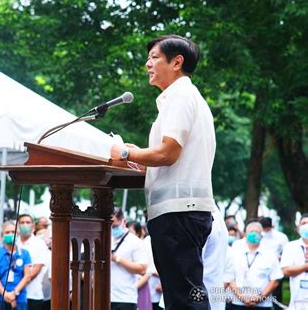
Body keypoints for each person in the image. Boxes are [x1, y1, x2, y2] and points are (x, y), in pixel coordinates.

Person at [110, 34, 218, 309]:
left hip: (179, 214)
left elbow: (169, 153)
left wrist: (125, 153)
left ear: (177, 62)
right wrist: (138, 159)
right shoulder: (181, 98)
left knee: (185, 298)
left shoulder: (181, 97)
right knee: (181, 296)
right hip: (180, 212)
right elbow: (166, 157)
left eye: (154, 57)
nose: (147, 64)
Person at [228, 222, 283, 309]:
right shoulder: (235, 253)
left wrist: (259, 298)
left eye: (257, 232)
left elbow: (275, 280)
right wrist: (242, 298)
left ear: (261, 235)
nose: (254, 234)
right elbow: (230, 278)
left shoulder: (270, 255)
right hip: (237, 303)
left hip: (262, 305)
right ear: (245, 234)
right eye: (251, 231)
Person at [0, 221, 32, 310]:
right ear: (2, 235)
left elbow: (27, 277)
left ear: (18, 234)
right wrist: (6, 294)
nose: (11, 234)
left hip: (19, 296)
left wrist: (14, 293)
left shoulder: (25, 253)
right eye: (7, 232)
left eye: (13, 232)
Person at [110, 208, 147, 310]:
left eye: (115, 226)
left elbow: (143, 269)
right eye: (110, 226)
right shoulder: (104, 238)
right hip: (104, 296)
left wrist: (117, 259)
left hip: (125, 298)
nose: (112, 229)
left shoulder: (135, 242)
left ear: (124, 222)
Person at [16, 214, 48, 309]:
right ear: (18, 226)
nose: (25, 225)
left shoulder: (39, 244)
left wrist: (19, 285)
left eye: (28, 222)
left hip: (33, 294)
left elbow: (37, 269)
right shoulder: (15, 243)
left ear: (33, 226)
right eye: (22, 222)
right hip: (14, 294)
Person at [280, 213, 308, 308]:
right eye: (303, 223)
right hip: (297, 302)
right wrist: (305, 266)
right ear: (298, 227)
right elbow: (285, 271)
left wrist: (297, 269)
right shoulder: (291, 246)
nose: (306, 226)